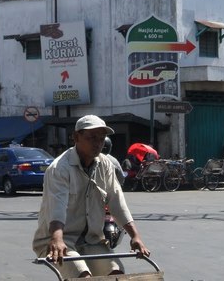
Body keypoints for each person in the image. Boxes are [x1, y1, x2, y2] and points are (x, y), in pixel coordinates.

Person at [32, 114, 150, 278]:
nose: (97, 143)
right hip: (60, 239)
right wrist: (57, 239)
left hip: (92, 240)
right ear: (76, 137)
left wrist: (135, 236)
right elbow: (56, 208)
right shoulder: (60, 168)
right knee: (83, 276)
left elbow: (117, 202)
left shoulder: (105, 164)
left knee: (116, 273)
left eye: (101, 139)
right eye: (92, 138)